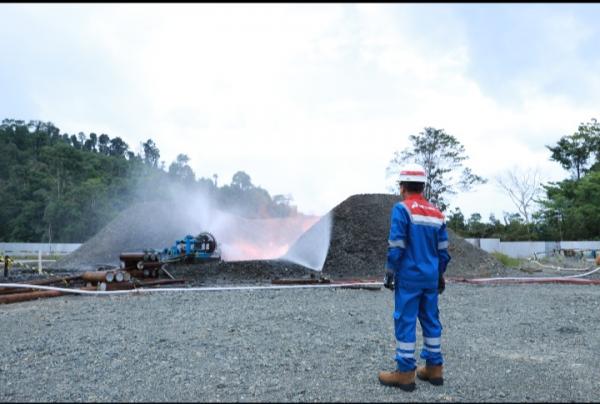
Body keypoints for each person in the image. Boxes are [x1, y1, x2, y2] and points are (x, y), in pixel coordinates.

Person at [378, 163, 451, 391]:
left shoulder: (402, 209)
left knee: (406, 320)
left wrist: (390, 270)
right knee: (431, 320)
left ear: (402, 187)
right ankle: (434, 368)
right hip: (430, 278)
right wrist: (439, 274)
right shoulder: (437, 213)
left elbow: (397, 244)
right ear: (422, 186)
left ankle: (405, 373)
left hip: (409, 277)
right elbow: (443, 252)